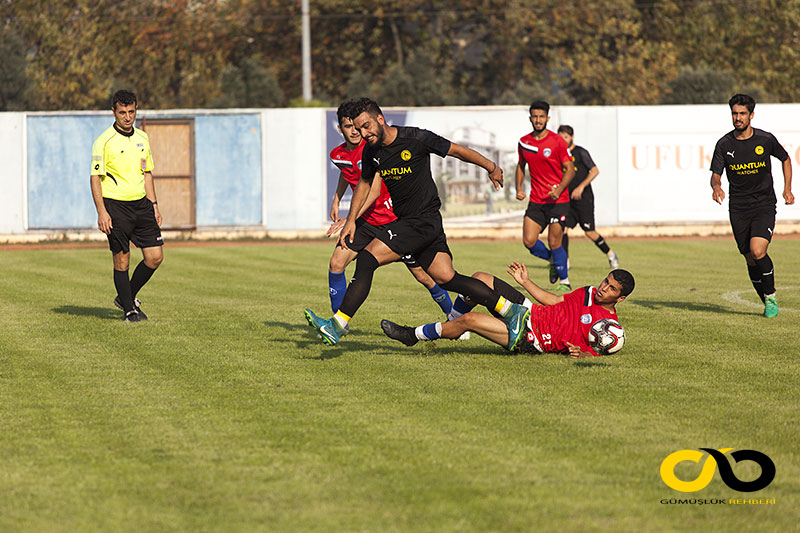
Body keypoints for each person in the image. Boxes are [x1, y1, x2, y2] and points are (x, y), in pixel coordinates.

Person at [304, 97, 530, 348]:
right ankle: (511, 311)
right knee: (447, 278)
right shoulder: (372, 151)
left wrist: (490, 166)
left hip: (422, 221)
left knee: (367, 259)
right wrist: (351, 221)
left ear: (380, 119)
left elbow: (456, 150)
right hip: (415, 223)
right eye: (358, 129)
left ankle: (337, 325)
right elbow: (364, 184)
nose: (363, 133)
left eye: (367, 126)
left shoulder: (416, 137)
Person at [326, 100, 452, 317]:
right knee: (337, 262)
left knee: (424, 276)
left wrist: (350, 219)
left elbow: (373, 191)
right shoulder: (338, 154)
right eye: (349, 127)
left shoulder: (374, 149)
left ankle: (453, 315)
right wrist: (337, 198)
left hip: (392, 220)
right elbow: (347, 172)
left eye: (358, 127)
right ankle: (337, 323)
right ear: (340, 129)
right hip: (366, 222)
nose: (356, 132)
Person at [382, 263, 635, 358]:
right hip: (529, 313)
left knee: (471, 318)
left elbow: (597, 352)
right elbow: (556, 301)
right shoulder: (589, 292)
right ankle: (452, 323)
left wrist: (582, 354)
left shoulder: (608, 328)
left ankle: (412, 336)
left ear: (620, 299)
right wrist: (525, 282)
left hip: (531, 337)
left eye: (611, 289)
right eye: (606, 281)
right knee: (482, 277)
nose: (604, 288)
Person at [710, 93, 794, 318]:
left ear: (751, 115)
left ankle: (771, 297)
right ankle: (765, 299)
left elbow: (785, 158)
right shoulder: (724, 144)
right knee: (749, 256)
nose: (738, 118)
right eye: (735, 113)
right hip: (738, 208)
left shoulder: (765, 140)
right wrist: (716, 187)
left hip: (763, 204)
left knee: (758, 250)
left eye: (742, 113)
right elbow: (715, 175)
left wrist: (787, 188)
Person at [90, 90, 163, 322]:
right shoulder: (103, 142)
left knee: (155, 257)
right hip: (115, 206)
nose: (127, 117)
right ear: (114, 112)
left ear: (136, 110)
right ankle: (129, 309)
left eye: (131, 111)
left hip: (142, 205)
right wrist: (101, 211)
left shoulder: (143, 137)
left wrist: (154, 205)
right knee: (122, 259)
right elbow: (95, 177)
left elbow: (147, 173)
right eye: (122, 112)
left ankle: (126, 297)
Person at [515, 101, 575, 291]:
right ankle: (552, 259)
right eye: (535, 116)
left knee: (554, 241)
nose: (538, 120)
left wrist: (559, 189)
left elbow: (570, 170)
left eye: (542, 116)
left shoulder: (557, 141)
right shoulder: (524, 142)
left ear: (547, 118)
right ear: (530, 118)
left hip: (559, 200)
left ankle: (564, 282)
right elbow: (520, 165)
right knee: (529, 241)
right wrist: (519, 188)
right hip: (537, 200)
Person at [556, 125, 619, 270]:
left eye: (565, 137)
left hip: (584, 199)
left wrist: (581, 187)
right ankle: (565, 262)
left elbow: (595, 171)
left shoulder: (580, 152)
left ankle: (610, 254)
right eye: (560, 137)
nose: (563, 140)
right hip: (567, 199)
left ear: (572, 137)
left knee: (590, 232)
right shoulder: (559, 154)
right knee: (563, 229)